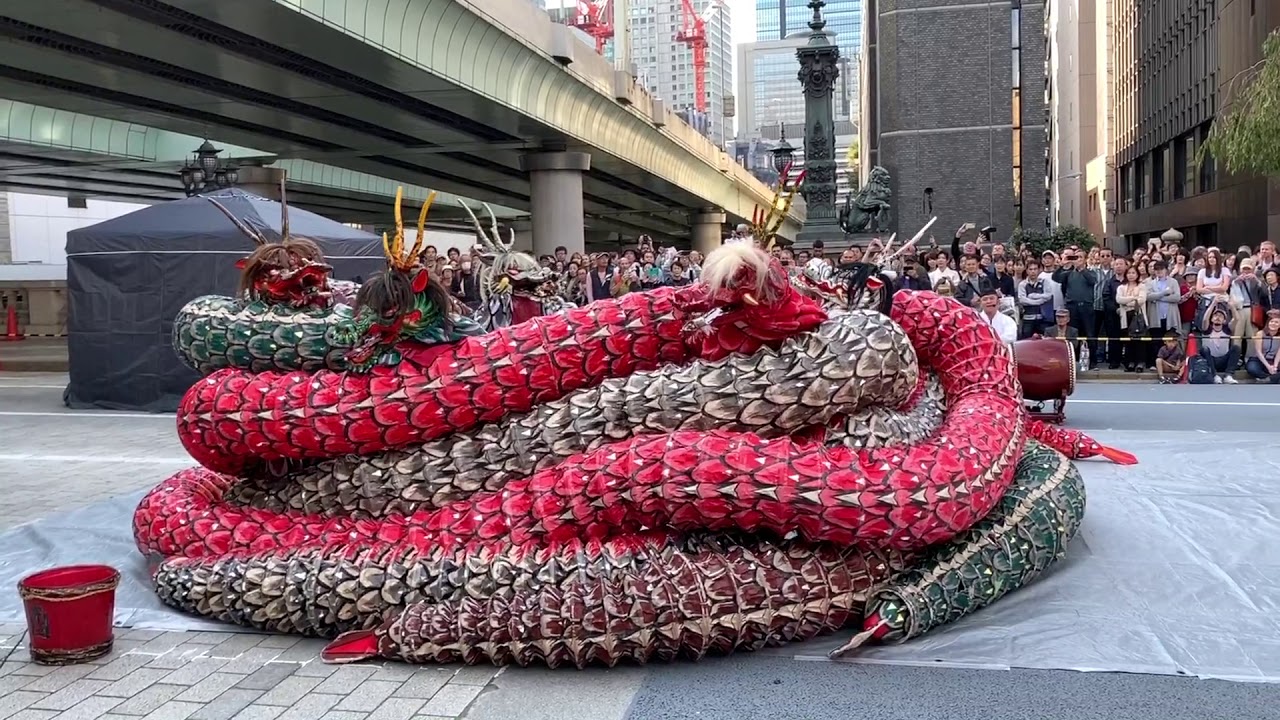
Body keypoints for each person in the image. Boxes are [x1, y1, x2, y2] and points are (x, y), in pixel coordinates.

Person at [1053, 247, 1099, 367]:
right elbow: (1056, 278)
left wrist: (1081, 269)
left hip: (1086, 307)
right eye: (1075, 257)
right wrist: (1063, 265)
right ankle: (1074, 359)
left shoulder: (1090, 272)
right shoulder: (1068, 273)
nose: (1077, 260)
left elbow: (1093, 281)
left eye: (1080, 257)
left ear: (1084, 259)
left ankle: (1093, 361)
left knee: (1089, 334)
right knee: (1073, 334)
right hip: (1072, 307)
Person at [1115, 266, 1148, 372]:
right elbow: (1119, 299)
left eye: (1133, 273)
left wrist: (1127, 302)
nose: (1131, 275)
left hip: (1138, 316)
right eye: (1129, 273)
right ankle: (1130, 362)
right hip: (1126, 316)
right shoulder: (1121, 287)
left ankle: (1140, 362)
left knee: (1140, 341)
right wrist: (1133, 298)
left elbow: (1141, 300)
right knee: (1128, 341)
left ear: (1137, 274)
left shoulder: (1142, 286)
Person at [1198, 309, 1239, 384]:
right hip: (1210, 361)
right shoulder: (1207, 329)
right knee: (1204, 349)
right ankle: (1214, 376)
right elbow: (1205, 319)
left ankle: (1228, 376)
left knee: (1236, 348)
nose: (1218, 317)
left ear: (1224, 321)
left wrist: (1232, 306)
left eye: (1220, 316)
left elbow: (1236, 319)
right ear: (1211, 319)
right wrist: (1214, 302)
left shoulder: (1227, 330)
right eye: (1215, 315)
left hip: (1223, 360)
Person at [1246, 310, 1280, 384]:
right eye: (1271, 322)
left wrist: (1275, 366)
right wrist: (1268, 367)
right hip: (1260, 359)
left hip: (1274, 360)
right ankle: (1271, 378)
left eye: (1276, 322)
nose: (1273, 324)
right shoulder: (1260, 333)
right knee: (1252, 368)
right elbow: (1258, 352)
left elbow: (1279, 353)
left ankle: (1270, 379)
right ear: (1267, 323)